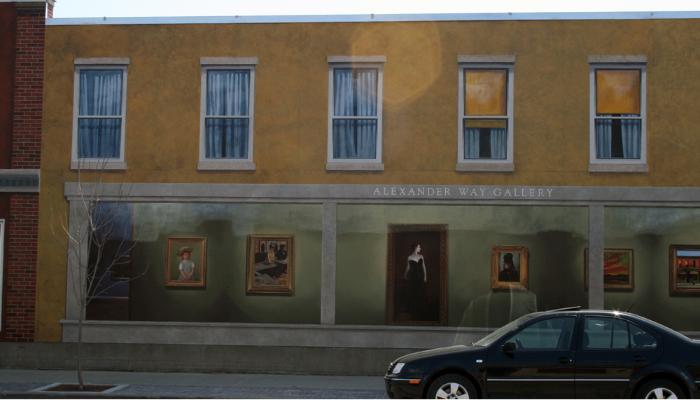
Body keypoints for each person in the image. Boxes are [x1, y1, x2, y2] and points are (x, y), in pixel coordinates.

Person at [403, 242, 427, 319]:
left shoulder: (421, 256)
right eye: (419, 247)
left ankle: (420, 310)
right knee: (413, 292)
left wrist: (425, 277)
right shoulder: (409, 257)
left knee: (420, 292)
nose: (420, 248)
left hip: (420, 277)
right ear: (415, 247)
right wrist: (405, 275)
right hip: (413, 277)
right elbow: (408, 267)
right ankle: (413, 310)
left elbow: (424, 267)